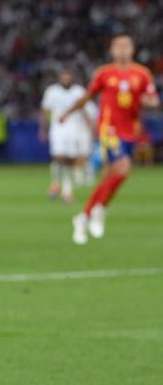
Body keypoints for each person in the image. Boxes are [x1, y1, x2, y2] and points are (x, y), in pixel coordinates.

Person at [60, 35, 158, 244]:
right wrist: (68, 113)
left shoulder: (142, 74)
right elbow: (87, 97)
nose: (122, 50)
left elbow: (153, 99)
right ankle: (99, 210)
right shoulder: (104, 73)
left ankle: (84, 216)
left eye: (126, 46)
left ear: (132, 50)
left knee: (113, 175)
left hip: (130, 131)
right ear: (112, 51)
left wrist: (149, 101)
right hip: (109, 129)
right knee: (123, 167)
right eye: (118, 47)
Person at [39, 69, 91, 202]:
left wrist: (89, 125)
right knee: (58, 157)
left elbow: (84, 109)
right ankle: (56, 183)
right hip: (58, 128)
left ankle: (66, 190)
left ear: (72, 77)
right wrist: (43, 129)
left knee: (71, 160)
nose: (66, 78)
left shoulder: (78, 91)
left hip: (75, 129)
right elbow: (44, 110)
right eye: (64, 75)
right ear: (60, 77)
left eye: (68, 75)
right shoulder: (52, 91)